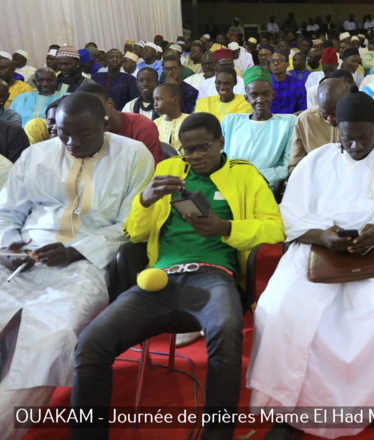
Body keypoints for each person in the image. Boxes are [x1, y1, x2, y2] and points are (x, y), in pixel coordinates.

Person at [72, 110, 284, 439]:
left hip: (214, 276)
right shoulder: (168, 170)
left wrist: (225, 227)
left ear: (221, 143)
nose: (195, 157)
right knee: (90, 343)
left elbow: (274, 229)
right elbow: (135, 235)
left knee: (227, 334)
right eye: (187, 149)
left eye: (203, 148)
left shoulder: (244, 175)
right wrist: (144, 200)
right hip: (159, 277)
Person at [247, 87, 374, 440]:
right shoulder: (316, 161)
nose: (355, 147)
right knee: (279, 307)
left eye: (364, 138)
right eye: (347, 139)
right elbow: (289, 216)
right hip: (320, 251)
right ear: (339, 130)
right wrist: (322, 236)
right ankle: (292, 408)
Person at [0, 93, 153, 440]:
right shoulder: (35, 154)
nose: (72, 142)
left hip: (87, 262)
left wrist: (77, 251)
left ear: (105, 123)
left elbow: (132, 223)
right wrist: (8, 245)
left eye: (83, 133)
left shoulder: (133, 155)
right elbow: (7, 211)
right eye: (64, 133)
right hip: (23, 254)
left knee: (52, 335)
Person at [288, 74, 374, 172]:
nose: (331, 119)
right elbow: (295, 165)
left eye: (336, 113)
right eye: (325, 115)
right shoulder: (305, 120)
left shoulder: (364, 112)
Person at [221, 67, 296, 190]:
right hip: (229, 183)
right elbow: (219, 157)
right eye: (254, 95)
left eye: (265, 94)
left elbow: (288, 165)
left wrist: (258, 177)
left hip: (264, 186)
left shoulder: (287, 123)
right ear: (246, 98)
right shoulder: (231, 121)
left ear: (273, 95)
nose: (260, 100)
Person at [76, 82, 164, 165]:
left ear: (110, 104)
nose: (90, 114)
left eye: (94, 107)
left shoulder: (142, 126)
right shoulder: (87, 132)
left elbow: (147, 171)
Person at [153, 82, 187, 151]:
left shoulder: (189, 121)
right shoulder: (155, 123)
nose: (155, 104)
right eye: (154, 100)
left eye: (159, 99)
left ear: (175, 100)